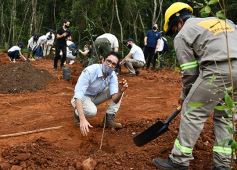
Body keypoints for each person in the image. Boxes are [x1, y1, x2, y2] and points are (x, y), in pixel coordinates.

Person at [153, 2, 237, 170]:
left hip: (217, 70)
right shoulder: (222, 21)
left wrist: (186, 97)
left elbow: (190, 73)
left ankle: (179, 161)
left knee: (193, 111)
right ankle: (222, 165)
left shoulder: (183, 34)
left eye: (173, 30)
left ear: (178, 22)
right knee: (225, 117)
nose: (175, 33)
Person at [71, 52, 128, 136]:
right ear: (102, 61)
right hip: (82, 97)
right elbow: (78, 95)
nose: (110, 65)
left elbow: (115, 100)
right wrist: (82, 119)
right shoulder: (90, 71)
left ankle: (108, 120)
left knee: (118, 90)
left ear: (115, 67)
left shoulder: (113, 76)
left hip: (95, 96)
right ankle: (77, 115)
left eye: (113, 64)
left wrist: (121, 91)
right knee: (92, 111)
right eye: (108, 61)